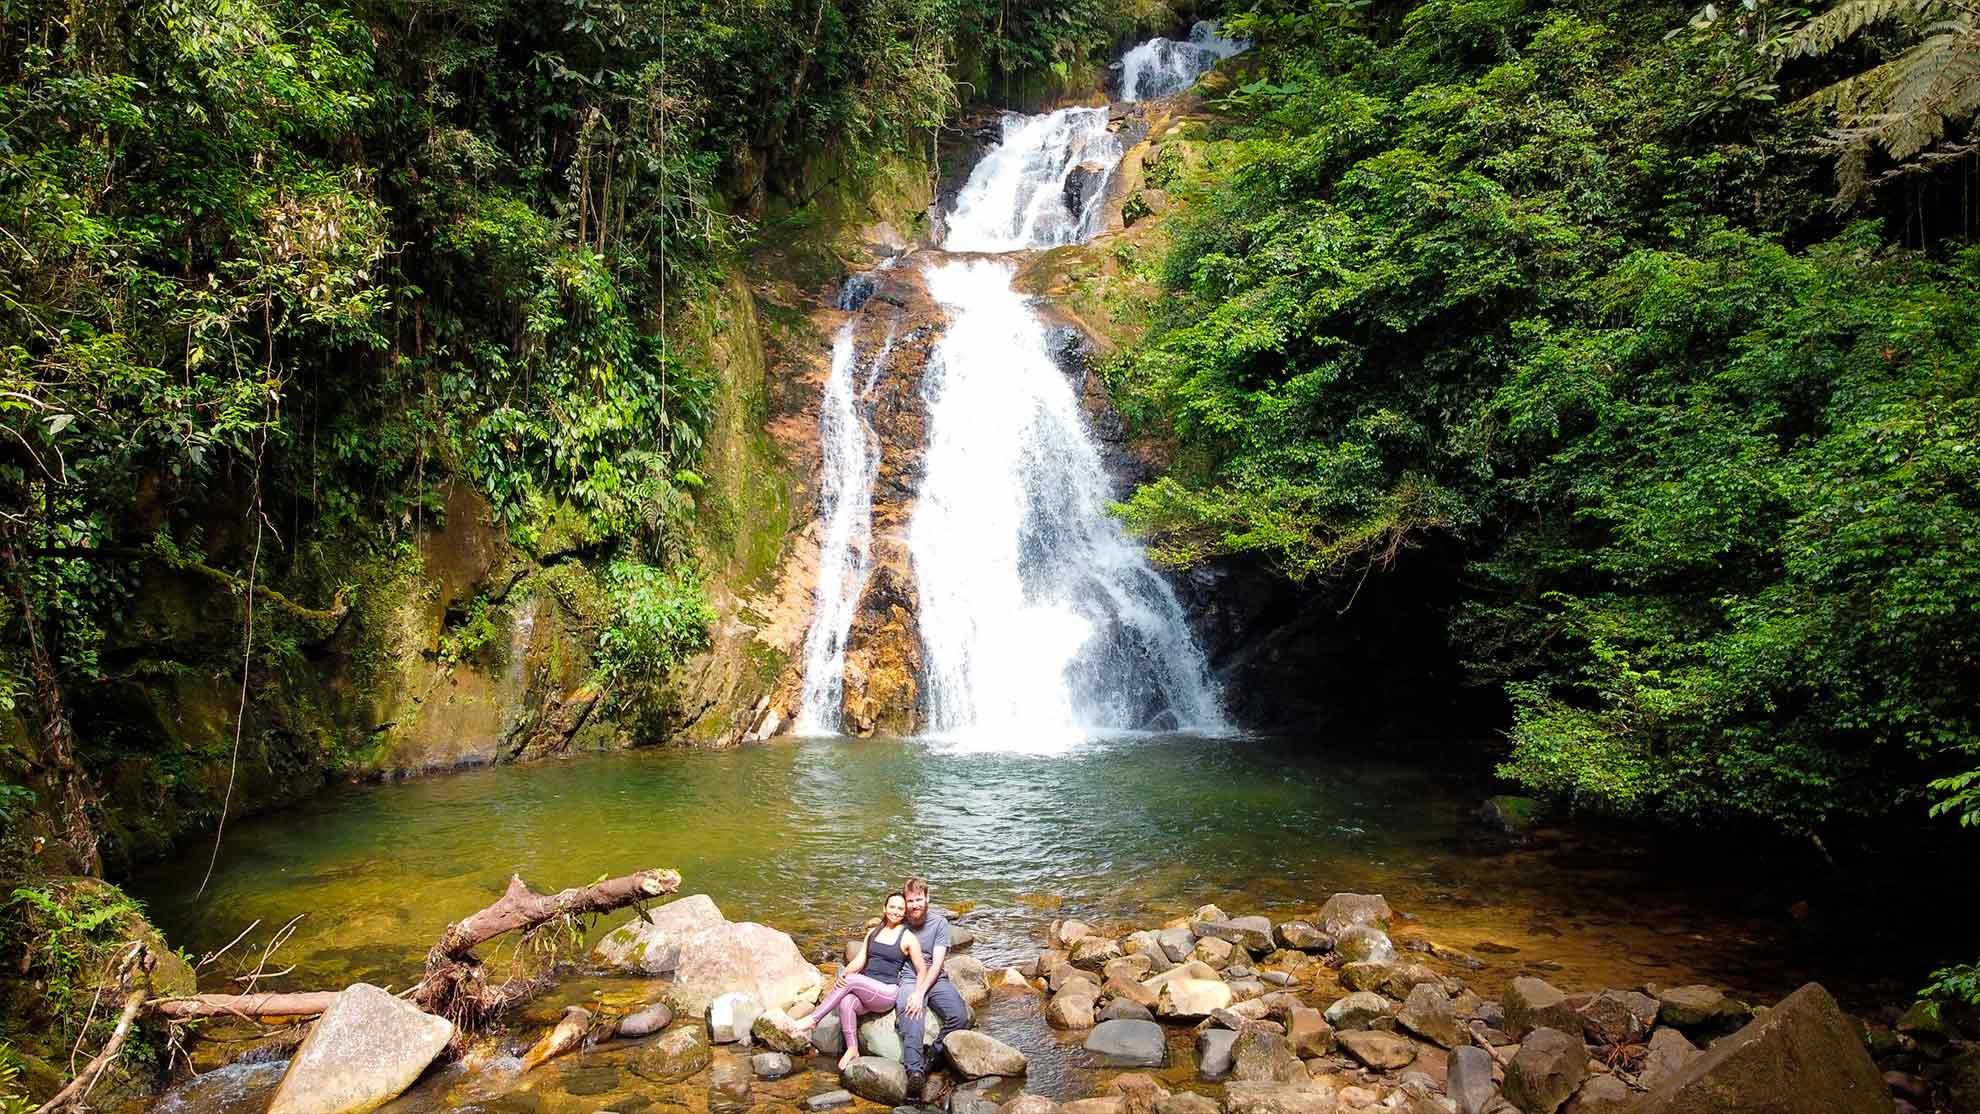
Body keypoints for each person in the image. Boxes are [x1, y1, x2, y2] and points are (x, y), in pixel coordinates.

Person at [797, 891, 925, 1069]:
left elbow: (922, 969)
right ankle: (852, 1048)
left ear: (904, 913)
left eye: (900, 908)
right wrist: (843, 974)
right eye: (892, 907)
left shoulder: (908, 937)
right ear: (884, 908)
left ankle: (813, 1019)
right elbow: (860, 960)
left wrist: (918, 994)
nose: (895, 911)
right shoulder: (873, 932)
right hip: (866, 992)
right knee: (847, 1001)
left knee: (852, 980)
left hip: (886, 993)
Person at [896, 876, 969, 1098]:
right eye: (911, 901)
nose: (915, 905)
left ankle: (932, 1058)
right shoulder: (900, 923)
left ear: (927, 898)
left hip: (936, 978)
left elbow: (937, 964)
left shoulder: (939, 923)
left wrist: (921, 993)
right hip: (909, 977)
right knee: (912, 1014)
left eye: (919, 899)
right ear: (905, 901)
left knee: (959, 1016)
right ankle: (915, 1073)